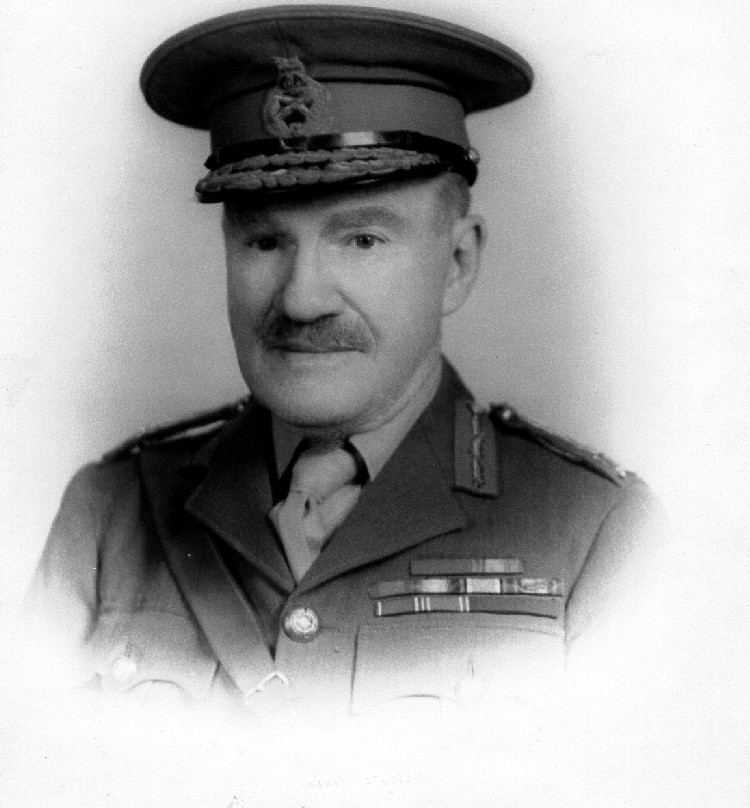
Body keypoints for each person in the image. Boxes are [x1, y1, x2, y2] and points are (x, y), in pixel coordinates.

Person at [24, 5, 662, 723]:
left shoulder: (597, 531)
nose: (301, 301)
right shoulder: (108, 516)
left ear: (457, 263)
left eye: (362, 240)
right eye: (266, 242)